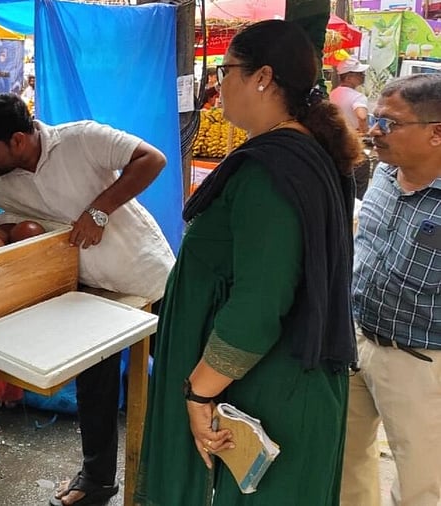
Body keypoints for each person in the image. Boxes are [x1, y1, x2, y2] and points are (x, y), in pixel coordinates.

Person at [0, 92, 175, 506]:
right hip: (88, 291)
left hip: (148, 276)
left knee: (179, 377)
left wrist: (99, 210)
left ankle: (177, 479)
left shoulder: (82, 139)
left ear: (19, 140)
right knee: (94, 388)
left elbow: (152, 159)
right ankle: (97, 483)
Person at [135, 20, 360, 505]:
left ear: (262, 77)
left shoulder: (272, 172)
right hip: (281, 382)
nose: (217, 84)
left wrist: (199, 393)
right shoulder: (307, 153)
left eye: (226, 69)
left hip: (266, 392)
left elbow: (259, 304)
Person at [340, 73, 441, 506]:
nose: (375, 131)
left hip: (421, 362)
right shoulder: (381, 175)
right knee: (343, 465)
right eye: (376, 119)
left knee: (422, 484)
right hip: (357, 340)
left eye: (391, 123)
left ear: (436, 133)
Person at [330, 58, 372, 199]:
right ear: (348, 77)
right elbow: (361, 116)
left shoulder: (333, 94)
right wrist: (364, 130)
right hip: (351, 144)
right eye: (359, 73)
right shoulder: (358, 97)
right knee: (360, 174)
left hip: (333, 143)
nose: (362, 76)